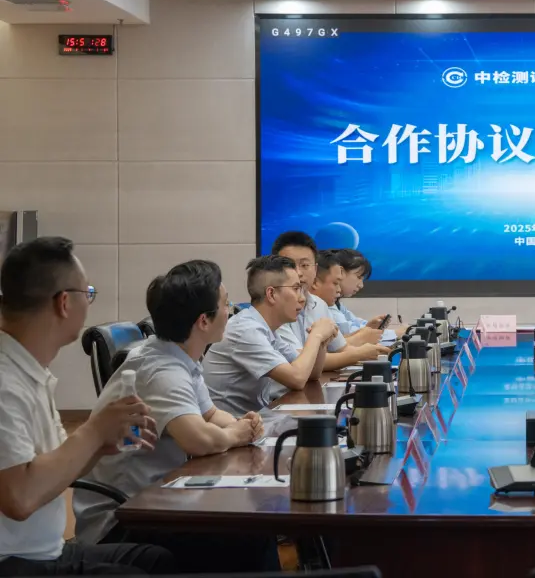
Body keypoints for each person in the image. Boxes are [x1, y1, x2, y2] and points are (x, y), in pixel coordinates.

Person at [75, 260, 280, 574]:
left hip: (159, 498)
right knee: (251, 536)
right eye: (226, 304)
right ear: (203, 321)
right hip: (122, 518)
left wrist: (243, 425)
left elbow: (210, 414)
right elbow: (198, 439)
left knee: (252, 530)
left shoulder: (179, 355)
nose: (231, 312)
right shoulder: (159, 369)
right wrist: (237, 434)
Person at [0, 237, 174, 576]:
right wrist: (94, 432)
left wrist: (100, 446)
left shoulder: (29, 369)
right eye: (88, 292)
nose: (89, 301)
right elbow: (19, 498)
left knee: (157, 560)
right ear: (64, 302)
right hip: (15, 562)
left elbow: (48, 470)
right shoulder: (6, 381)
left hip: (42, 550)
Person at [203, 255, 333, 415]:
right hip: (228, 426)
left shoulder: (267, 329)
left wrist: (322, 342)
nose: (302, 298)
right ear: (271, 294)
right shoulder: (246, 330)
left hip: (252, 421)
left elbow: (312, 374)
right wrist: (316, 336)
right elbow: (297, 379)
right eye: (295, 288)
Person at [308, 251, 390, 370]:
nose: (339, 290)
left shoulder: (321, 306)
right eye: (335, 283)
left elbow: (340, 347)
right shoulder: (296, 311)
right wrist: (360, 349)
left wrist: (368, 349)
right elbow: (303, 363)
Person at [270, 231, 346, 356]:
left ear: (315, 269)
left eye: (304, 265)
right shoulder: (273, 307)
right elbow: (299, 359)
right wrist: (361, 353)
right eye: (289, 265)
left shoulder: (319, 304)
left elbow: (340, 348)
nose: (298, 272)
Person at [330, 249, 400, 344]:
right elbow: (347, 332)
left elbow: (354, 324)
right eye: (358, 277)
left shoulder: (337, 304)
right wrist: (396, 333)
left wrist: (369, 327)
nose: (361, 285)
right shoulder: (326, 305)